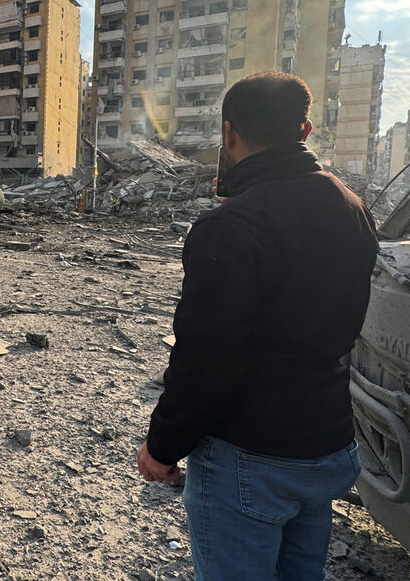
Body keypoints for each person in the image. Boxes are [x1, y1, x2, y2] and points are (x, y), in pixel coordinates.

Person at [135, 72, 380, 581]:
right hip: (326, 444)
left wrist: (162, 447)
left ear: (229, 134)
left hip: (251, 457)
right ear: (305, 130)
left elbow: (207, 357)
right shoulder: (351, 207)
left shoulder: (232, 226)